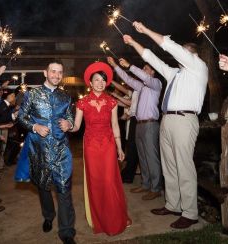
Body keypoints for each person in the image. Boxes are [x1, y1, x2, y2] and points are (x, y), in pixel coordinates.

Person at [123, 21, 208, 229]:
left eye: (184, 53)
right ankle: (172, 204)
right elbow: (151, 58)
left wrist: (146, 30)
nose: (180, 56)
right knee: (169, 165)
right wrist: (134, 42)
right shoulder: (174, 73)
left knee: (183, 166)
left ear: (193, 56)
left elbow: (170, 47)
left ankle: (190, 212)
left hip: (184, 120)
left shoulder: (199, 68)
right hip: (167, 119)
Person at [70, 61, 131, 235]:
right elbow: (76, 126)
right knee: (95, 182)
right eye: (96, 80)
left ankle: (114, 218)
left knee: (110, 181)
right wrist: (68, 126)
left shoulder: (111, 101)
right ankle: (98, 218)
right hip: (90, 146)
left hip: (108, 145)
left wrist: (119, 148)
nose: (100, 83)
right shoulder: (82, 103)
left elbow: (115, 125)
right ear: (90, 82)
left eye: (103, 80)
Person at [18, 60, 76, 244]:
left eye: (60, 72)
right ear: (45, 72)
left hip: (61, 150)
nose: (57, 75)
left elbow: (70, 117)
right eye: (53, 71)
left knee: (64, 188)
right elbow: (22, 117)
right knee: (43, 187)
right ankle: (48, 216)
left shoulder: (66, 97)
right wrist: (34, 126)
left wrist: (70, 124)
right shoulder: (32, 94)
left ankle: (67, 232)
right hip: (40, 150)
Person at [107, 57, 162, 200]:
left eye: (146, 68)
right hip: (138, 125)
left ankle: (155, 188)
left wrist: (130, 65)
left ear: (153, 72)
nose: (143, 71)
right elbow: (127, 78)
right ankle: (145, 184)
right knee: (143, 157)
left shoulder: (156, 84)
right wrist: (115, 66)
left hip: (150, 124)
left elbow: (142, 76)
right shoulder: (141, 87)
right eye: (142, 68)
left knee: (151, 157)